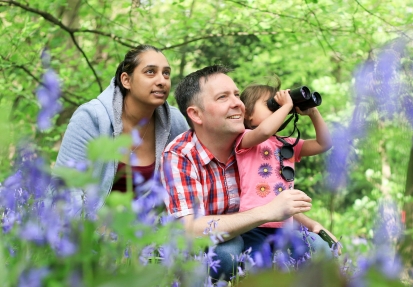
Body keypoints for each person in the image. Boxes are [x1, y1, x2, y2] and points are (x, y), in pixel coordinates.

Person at [160, 65, 338, 282]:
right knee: (230, 254)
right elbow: (189, 229)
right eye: (223, 97)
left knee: (318, 248)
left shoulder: (271, 146)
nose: (237, 103)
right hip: (225, 240)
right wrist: (266, 212)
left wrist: (310, 224)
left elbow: (275, 199)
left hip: (274, 229)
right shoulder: (182, 155)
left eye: (237, 95)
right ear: (196, 114)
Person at [54, 44, 188, 206]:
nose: (162, 81)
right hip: (91, 226)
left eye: (166, 73)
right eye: (150, 72)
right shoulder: (91, 118)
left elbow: (187, 184)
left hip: (151, 228)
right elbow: (65, 186)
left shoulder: (175, 122)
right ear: (126, 80)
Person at [236, 78, 336, 258]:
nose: (278, 108)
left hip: (285, 226)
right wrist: (285, 105)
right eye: (270, 104)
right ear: (247, 113)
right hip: (253, 225)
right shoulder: (245, 138)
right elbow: (264, 131)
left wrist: (313, 112)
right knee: (259, 267)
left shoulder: (286, 143)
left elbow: (324, 143)